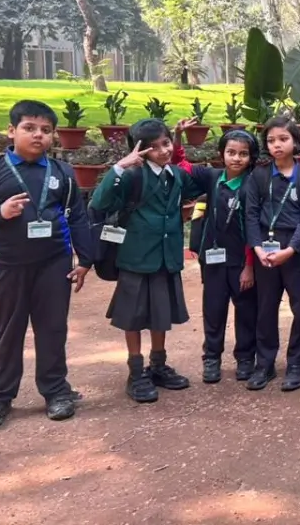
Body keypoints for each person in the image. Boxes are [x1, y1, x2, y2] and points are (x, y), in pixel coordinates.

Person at [0, 101, 92, 430]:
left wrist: (86, 259)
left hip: (54, 264)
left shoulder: (62, 172)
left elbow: (77, 217)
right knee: (8, 331)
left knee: (52, 329)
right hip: (6, 264)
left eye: (46, 130)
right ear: (11, 131)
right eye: (29, 128)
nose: (38, 135)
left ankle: (56, 391)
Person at [91, 118, 208, 403]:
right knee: (132, 315)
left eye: (166, 143)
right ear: (140, 150)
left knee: (160, 313)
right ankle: (136, 370)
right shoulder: (131, 176)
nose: (163, 150)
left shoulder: (175, 174)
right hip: (136, 257)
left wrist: (178, 140)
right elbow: (99, 203)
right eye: (154, 147)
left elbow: (193, 187)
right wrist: (120, 166)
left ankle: (158, 365)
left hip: (166, 257)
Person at [173, 126, 260, 385]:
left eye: (243, 154)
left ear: (251, 157)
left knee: (246, 311)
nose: (236, 158)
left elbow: (253, 229)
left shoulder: (253, 184)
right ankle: (211, 358)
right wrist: (177, 136)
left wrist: (249, 267)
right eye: (231, 152)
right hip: (212, 260)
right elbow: (180, 163)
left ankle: (245, 358)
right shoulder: (212, 177)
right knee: (213, 310)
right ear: (222, 154)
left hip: (241, 262)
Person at [244, 118, 300, 392]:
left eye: (283, 139)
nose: (277, 144)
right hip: (265, 247)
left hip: (295, 250)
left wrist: (291, 249)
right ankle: (264, 363)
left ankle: (297, 363)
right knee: (265, 307)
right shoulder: (259, 176)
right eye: (271, 140)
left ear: (295, 141)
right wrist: (257, 248)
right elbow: (250, 214)